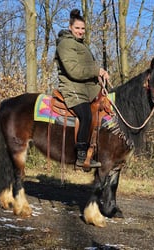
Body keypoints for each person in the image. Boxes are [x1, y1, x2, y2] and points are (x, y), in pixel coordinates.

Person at [55, 9, 110, 168]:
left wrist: (100, 75)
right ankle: (81, 155)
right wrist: (95, 71)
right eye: (77, 28)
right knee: (86, 115)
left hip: (85, 88)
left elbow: (88, 67)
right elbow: (73, 70)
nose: (80, 31)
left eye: (83, 29)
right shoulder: (65, 44)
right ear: (70, 27)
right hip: (72, 88)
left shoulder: (81, 45)